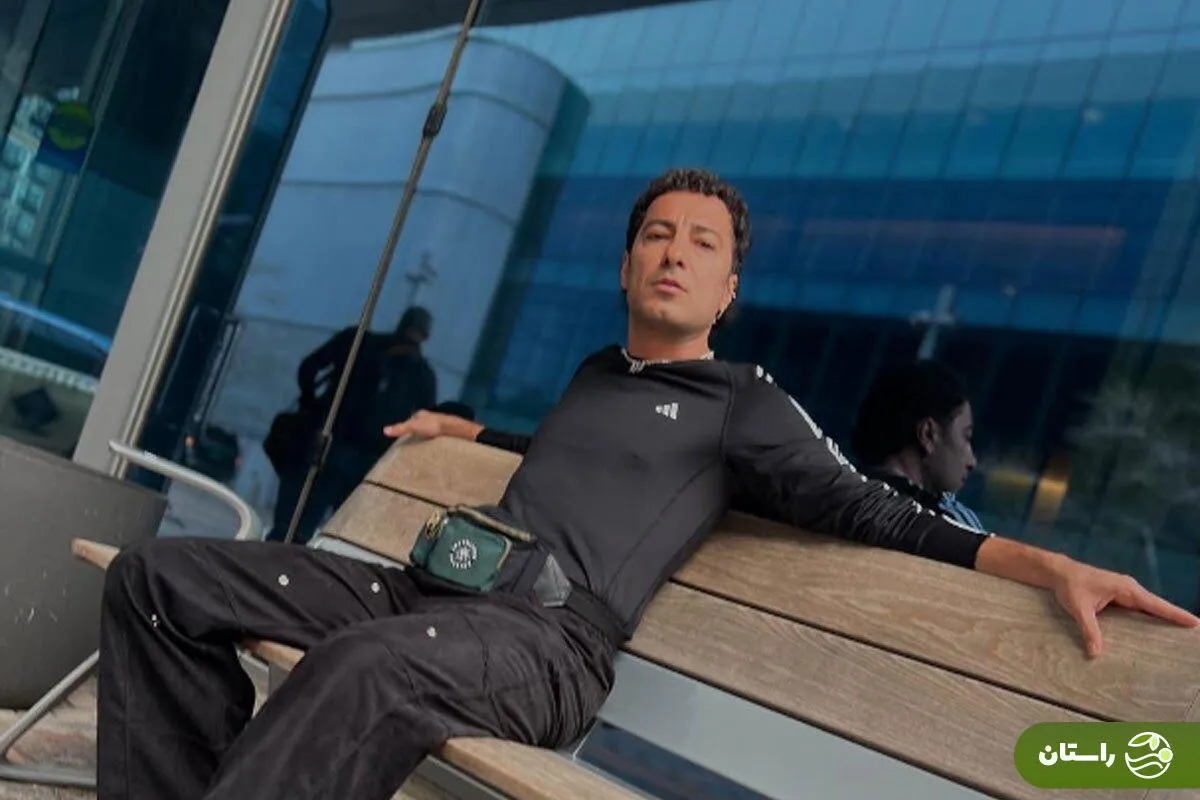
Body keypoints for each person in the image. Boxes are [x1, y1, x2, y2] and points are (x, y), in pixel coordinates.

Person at [97, 168, 1198, 800]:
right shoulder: (599, 373)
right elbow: (571, 443)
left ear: (728, 287)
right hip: (431, 597)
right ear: (627, 265)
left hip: (546, 646)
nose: (674, 251)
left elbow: (872, 506)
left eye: (701, 243)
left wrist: (1045, 561)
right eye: (657, 235)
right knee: (158, 580)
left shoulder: (742, 402)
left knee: (363, 668)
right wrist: (466, 428)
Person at [266, 305, 437, 543]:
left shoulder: (361, 344)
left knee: (296, 527)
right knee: (329, 535)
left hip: (333, 447)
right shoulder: (418, 373)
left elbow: (308, 368)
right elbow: (423, 423)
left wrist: (312, 407)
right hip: (351, 455)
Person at [851, 359, 986, 531]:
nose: (972, 461)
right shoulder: (951, 526)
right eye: (966, 437)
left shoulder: (834, 497)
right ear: (928, 434)